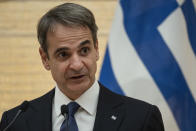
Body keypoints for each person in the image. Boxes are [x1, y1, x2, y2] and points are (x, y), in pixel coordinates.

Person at [0, 3, 164, 131]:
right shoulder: (16, 121)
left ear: (96, 49)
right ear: (45, 59)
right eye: (63, 54)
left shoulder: (141, 118)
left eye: (84, 50)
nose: (77, 65)